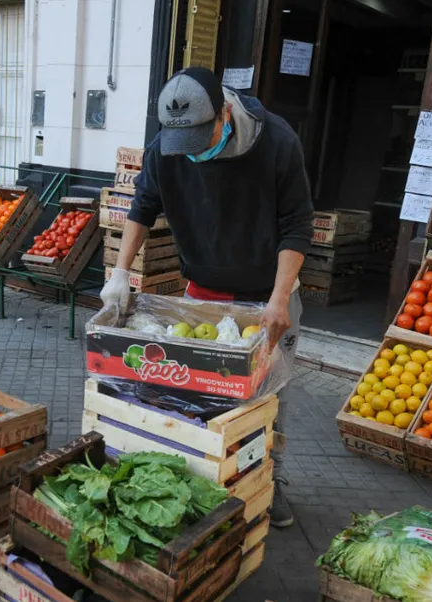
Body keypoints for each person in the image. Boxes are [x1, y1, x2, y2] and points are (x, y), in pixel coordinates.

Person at [101, 67, 314, 527]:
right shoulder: (167, 148)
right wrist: (120, 273)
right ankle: (211, 481)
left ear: (224, 112)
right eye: (184, 145)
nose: (192, 154)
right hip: (204, 291)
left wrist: (279, 299)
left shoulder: (277, 142)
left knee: (266, 401)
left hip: (268, 294)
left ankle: (265, 485)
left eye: (202, 138)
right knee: (200, 396)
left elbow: (298, 225)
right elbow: (143, 205)